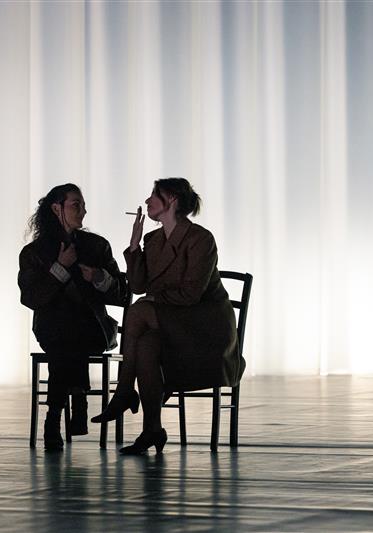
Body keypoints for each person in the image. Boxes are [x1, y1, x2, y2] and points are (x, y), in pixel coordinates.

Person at [91, 177, 245, 455]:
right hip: (170, 325)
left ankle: (124, 391)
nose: (147, 200)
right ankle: (152, 429)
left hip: (204, 329)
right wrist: (134, 246)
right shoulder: (152, 240)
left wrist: (154, 299)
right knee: (146, 344)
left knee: (139, 310)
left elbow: (191, 295)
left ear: (172, 199)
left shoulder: (200, 239)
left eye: (154, 194)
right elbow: (138, 286)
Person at [19, 184, 127, 450]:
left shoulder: (97, 246)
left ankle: (54, 416)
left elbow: (122, 295)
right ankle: (78, 396)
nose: (83, 211)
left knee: (68, 335)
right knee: (64, 332)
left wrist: (99, 278)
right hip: (53, 330)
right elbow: (31, 298)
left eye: (83, 205)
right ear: (57, 209)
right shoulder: (34, 253)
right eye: (76, 205)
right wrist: (60, 268)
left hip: (93, 329)